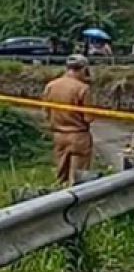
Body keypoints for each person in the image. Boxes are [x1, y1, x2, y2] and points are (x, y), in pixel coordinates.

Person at [42, 55, 93, 185]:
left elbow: (46, 112)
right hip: (78, 136)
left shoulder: (51, 86)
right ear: (84, 69)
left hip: (59, 135)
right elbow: (89, 118)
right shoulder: (83, 88)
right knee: (79, 178)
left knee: (60, 177)